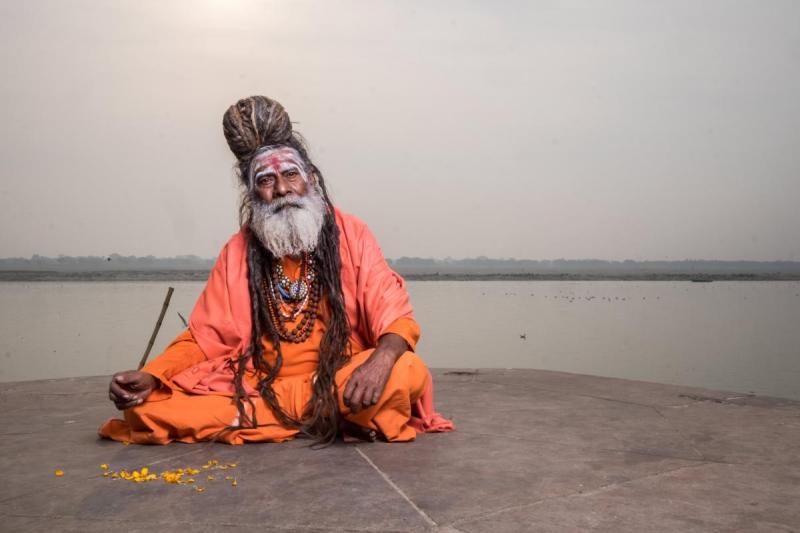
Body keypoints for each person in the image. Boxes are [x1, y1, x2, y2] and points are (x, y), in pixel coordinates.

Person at [99, 96, 454, 445]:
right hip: (262, 387)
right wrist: (153, 374)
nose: (282, 189)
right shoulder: (238, 251)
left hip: (340, 378)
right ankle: (327, 418)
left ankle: (292, 417)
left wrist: (381, 360)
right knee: (145, 409)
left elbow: (396, 317)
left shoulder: (352, 234)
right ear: (252, 192)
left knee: (405, 371)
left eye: (290, 174)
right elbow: (204, 338)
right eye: (267, 180)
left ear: (310, 178)